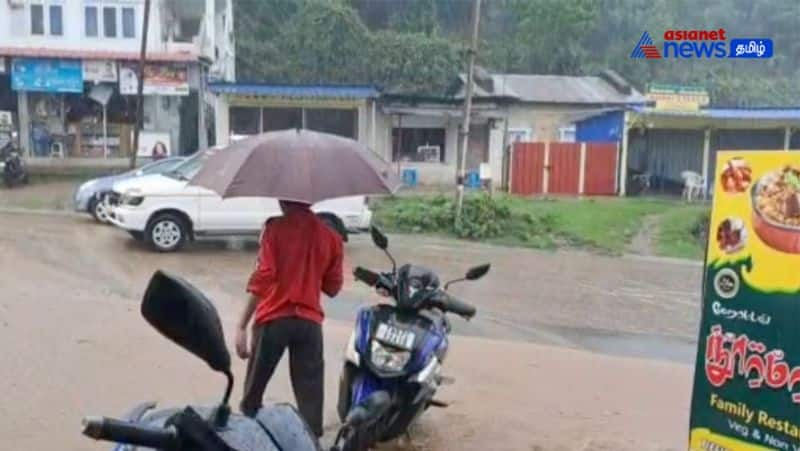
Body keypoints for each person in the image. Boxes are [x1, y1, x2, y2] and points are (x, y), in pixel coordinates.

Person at [236, 199, 344, 437]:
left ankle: (246, 438)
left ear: (283, 198)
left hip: (273, 320)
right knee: (310, 402)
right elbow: (333, 287)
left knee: (253, 393)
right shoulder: (331, 237)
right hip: (309, 324)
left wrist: (242, 325)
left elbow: (265, 276)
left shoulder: (274, 229)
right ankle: (310, 442)